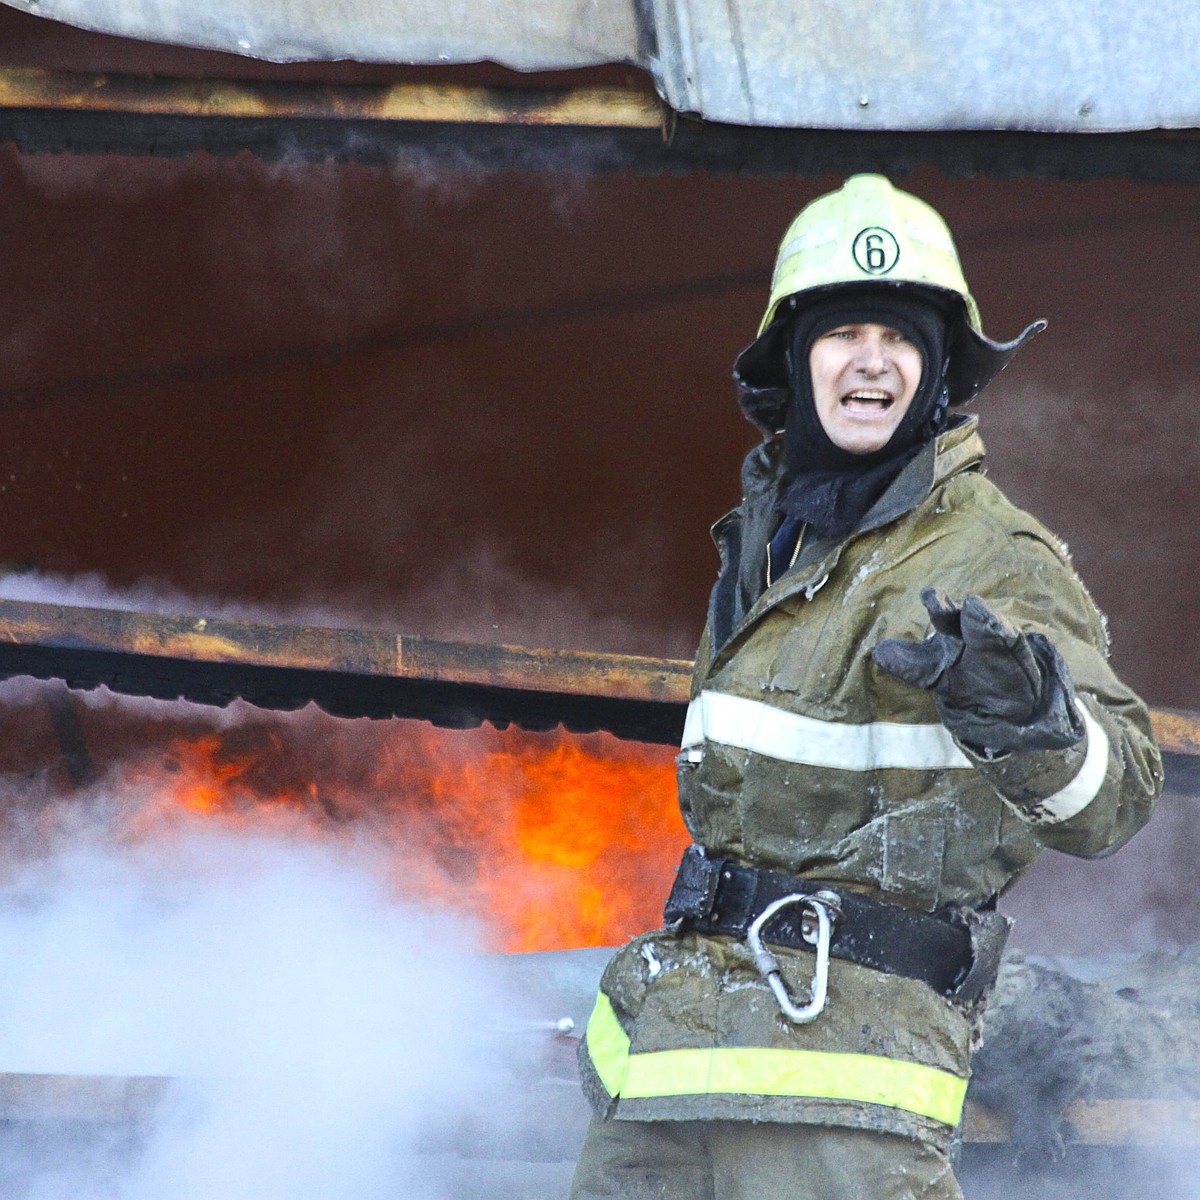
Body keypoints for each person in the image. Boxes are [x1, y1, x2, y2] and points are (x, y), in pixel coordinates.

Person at [568, 174, 1163, 1199]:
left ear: (937, 373)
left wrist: (1033, 723)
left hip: (848, 1097)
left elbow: (1119, 796)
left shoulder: (992, 554)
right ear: (796, 362)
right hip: (673, 1081)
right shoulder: (770, 546)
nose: (872, 362)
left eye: (901, 337)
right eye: (845, 332)